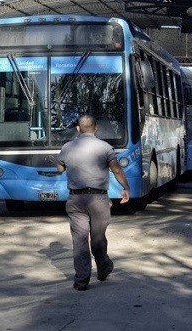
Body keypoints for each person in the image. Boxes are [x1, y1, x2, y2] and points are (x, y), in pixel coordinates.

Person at [57, 114, 130, 291]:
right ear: (96, 128)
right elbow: (117, 170)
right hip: (98, 199)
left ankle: (82, 280)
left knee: (80, 240)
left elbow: (60, 168)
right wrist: (126, 187)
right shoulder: (105, 147)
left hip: (75, 199)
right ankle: (103, 266)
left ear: (77, 128)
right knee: (97, 238)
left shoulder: (67, 147)